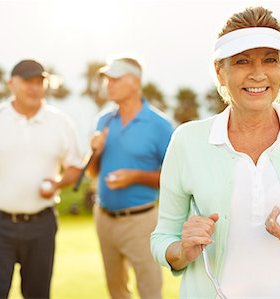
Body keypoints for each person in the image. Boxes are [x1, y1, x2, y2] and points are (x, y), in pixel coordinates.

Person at [151, 6, 280, 299]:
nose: (258, 74)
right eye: (242, 61)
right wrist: (183, 250)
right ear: (220, 72)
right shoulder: (187, 140)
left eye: (270, 60)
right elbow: (162, 240)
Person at [0, 59, 83, 299]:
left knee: (38, 295)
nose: (34, 87)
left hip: (42, 225)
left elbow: (74, 168)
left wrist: (58, 183)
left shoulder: (61, 122)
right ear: (11, 84)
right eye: (27, 81)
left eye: (39, 81)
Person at [87, 56, 173, 299]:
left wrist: (135, 176)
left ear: (134, 83)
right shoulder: (104, 120)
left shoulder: (160, 125)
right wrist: (95, 151)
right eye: (106, 79)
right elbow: (93, 171)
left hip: (141, 221)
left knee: (149, 289)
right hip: (104, 218)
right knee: (116, 290)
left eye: (115, 79)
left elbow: (173, 178)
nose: (108, 84)